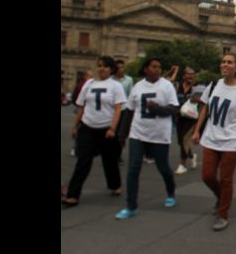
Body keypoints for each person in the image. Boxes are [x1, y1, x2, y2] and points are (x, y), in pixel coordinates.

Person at [192, 54, 236, 231]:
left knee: (226, 179)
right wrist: (197, 130)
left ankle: (223, 214)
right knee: (208, 176)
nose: (224, 65)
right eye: (223, 62)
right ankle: (222, 198)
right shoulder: (213, 85)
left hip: (232, 141)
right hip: (211, 138)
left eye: (229, 62)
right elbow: (205, 109)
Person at [114, 58, 179, 220]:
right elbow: (129, 112)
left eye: (159, 67)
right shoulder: (137, 87)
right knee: (133, 169)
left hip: (159, 135)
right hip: (138, 134)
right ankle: (131, 206)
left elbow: (174, 109)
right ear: (146, 69)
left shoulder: (166, 86)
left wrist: (156, 108)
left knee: (163, 167)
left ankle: (171, 192)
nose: (157, 70)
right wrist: (122, 135)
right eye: (153, 67)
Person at [62, 56, 126, 207]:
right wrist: (75, 126)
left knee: (109, 160)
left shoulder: (116, 86)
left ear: (111, 69)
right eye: (99, 66)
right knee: (83, 161)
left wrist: (112, 128)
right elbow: (82, 107)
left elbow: (118, 109)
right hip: (87, 127)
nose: (101, 68)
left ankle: (115, 185)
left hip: (106, 129)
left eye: (104, 66)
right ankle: (73, 195)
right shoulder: (89, 84)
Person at [174, 67, 204, 174]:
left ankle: (182, 165)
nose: (191, 76)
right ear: (184, 76)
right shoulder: (178, 87)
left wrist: (197, 100)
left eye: (193, 74)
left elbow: (204, 103)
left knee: (184, 139)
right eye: (189, 74)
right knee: (180, 141)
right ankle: (192, 156)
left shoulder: (198, 88)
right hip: (179, 116)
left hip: (191, 118)